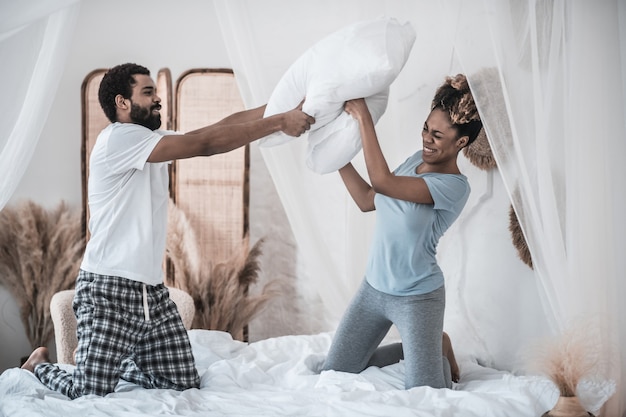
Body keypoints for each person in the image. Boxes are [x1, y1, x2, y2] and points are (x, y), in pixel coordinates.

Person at [20, 62, 315, 399]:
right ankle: (39, 365)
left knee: (182, 385)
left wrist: (278, 109)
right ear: (123, 103)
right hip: (107, 293)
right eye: (148, 92)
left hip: (152, 296)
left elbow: (214, 129)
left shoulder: (151, 140)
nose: (157, 99)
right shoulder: (118, 139)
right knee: (89, 393)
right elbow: (205, 144)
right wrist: (279, 122)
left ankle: (117, 363)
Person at [321, 74, 481, 389]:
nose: (426, 139)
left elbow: (382, 182)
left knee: (426, 391)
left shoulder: (453, 187)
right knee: (334, 372)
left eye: (437, 135)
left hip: (417, 298)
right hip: (373, 290)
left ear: (461, 142)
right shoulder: (414, 162)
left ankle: (437, 348)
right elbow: (369, 200)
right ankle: (436, 343)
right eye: (425, 127)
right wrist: (335, 157)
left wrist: (364, 118)